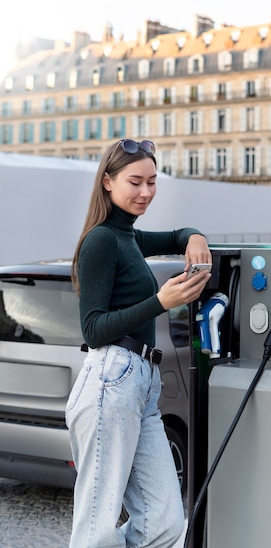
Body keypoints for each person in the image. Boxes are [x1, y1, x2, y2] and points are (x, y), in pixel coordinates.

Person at [66, 139, 212, 548]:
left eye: (152, 182)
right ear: (108, 182)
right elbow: (93, 329)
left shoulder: (129, 236)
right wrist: (161, 302)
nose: (145, 192)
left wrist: (194, 236)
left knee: (164, 523)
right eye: (135, 182)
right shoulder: (101, 240)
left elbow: (177, 234)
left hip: (142, 386)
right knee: (96, 530)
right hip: (111, 381)